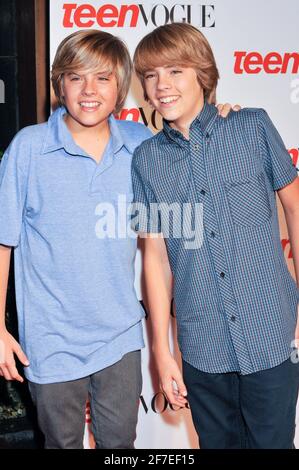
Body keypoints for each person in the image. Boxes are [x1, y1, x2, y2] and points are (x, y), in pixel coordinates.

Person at [132, 22, 299, 449]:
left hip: (271, 333)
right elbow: (155, 258)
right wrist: (162, 351)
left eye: (174, 71)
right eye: (150, 75)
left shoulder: (252, 126)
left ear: (203, 73)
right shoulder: (146, 160)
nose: (161, 85)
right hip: (202, 343)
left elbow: (296, 209)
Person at [0, 29, 152, 449]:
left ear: (120, 87)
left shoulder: (142, 146)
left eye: (103, 78)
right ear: (59, 84)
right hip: (50, 340)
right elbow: (2, 243)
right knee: (61, 445)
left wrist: (224, 116)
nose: (89, 90)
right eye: (76, 77)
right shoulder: (28, 148)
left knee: (120, 447)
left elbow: (193, 153)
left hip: (121, 334)